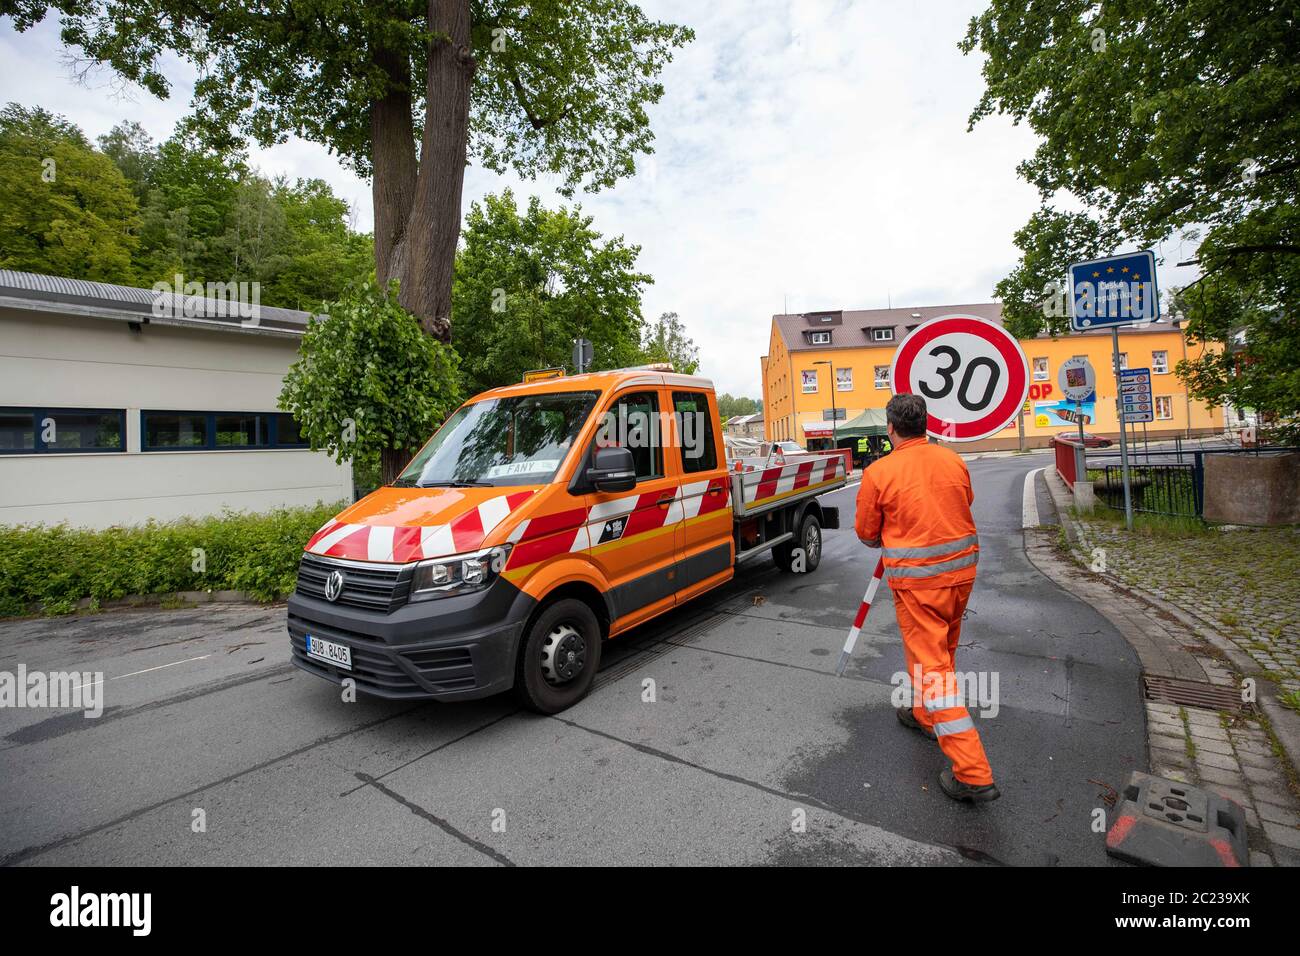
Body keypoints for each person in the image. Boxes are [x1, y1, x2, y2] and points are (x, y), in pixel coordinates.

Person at [854, 393, 999, 802]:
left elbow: (866, 533)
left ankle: (972, 771)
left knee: (933, 668)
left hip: (918, 584)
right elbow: (961, 502)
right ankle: (923, 715)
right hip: (961, 574)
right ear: (925, 423)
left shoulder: (880, 472)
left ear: (891, 428)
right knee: (941, 651)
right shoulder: (952, 459)